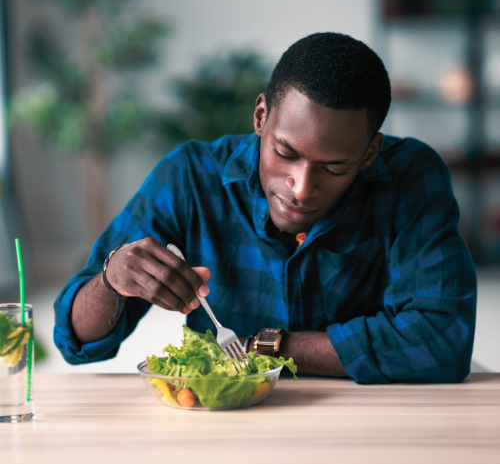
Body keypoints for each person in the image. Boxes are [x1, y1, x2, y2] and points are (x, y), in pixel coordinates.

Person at [54, 32, 477, 384]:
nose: (301, 187)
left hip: (364, 427)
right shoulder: (190, 177)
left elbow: (442, 341)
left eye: (334, 166)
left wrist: (274, 348)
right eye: (284, 152)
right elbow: (74, 341)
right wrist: (112, 279)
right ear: (261, 117)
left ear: (369, 154)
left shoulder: (411, 178)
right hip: (224, 424)